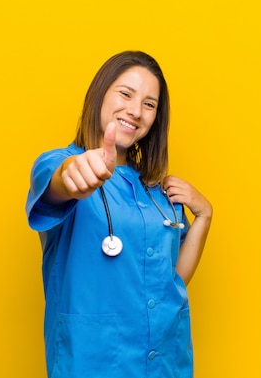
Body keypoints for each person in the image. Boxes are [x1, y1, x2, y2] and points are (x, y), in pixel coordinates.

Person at [25, 51, 212, 378]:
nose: (136, 111)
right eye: (125, 94)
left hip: (167, 363)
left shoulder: (158, 191)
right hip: (93, 364)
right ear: (100, 93)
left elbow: (171, 283)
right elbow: (58, 182)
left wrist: (205, 217)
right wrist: (73, 175)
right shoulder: (60, 163)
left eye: (149, 104)